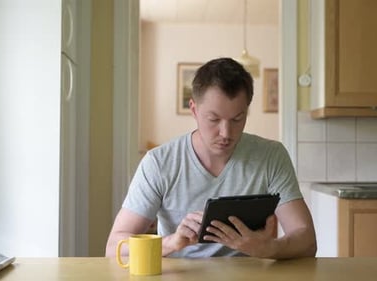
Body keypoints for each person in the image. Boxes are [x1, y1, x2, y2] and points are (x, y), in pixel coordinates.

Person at [106, 57, 316, 259]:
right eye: (214, 119)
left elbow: (307, 240)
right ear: (194, 110)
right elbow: (115, 246)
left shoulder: (271, 156)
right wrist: (171, 243)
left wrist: (269, 248)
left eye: (237, 119)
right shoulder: (158, 162)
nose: (226, 132)